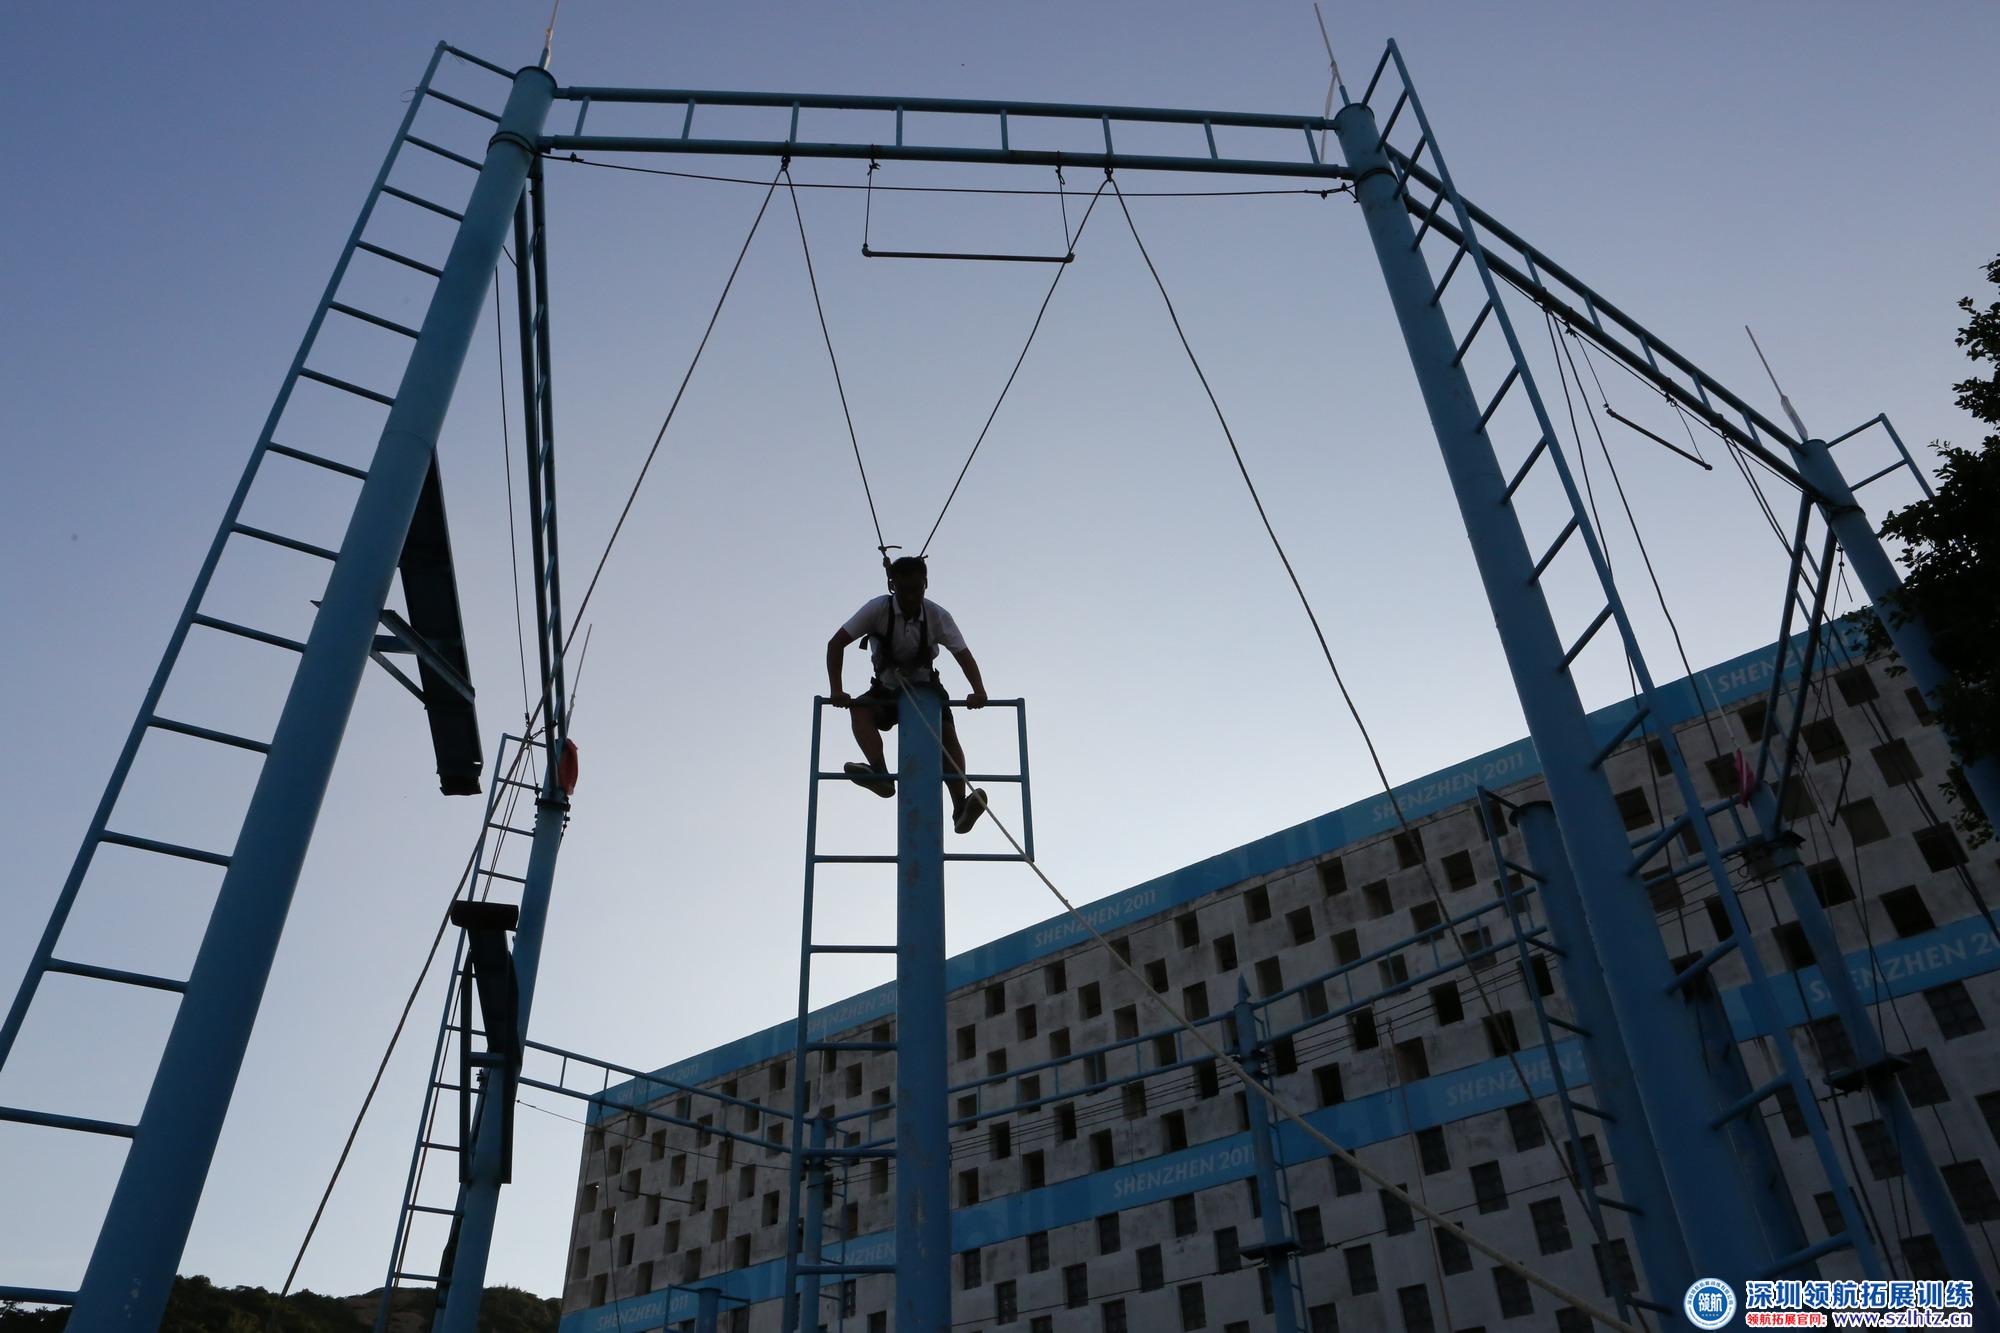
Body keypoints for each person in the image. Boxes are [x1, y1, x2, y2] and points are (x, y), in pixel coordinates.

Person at [826, 556, 990, 834]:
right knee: (860, 708)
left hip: (926, 688)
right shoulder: (877, 609)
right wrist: (837, 690)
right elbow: (836, 644)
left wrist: (979, 690)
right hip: (887, 690)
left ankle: (960, 806)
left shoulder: (937, 615)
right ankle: (880, 774)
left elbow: (963, 654)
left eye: (917, 589)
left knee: (946, 735)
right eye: (904, 590)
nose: (912, 597)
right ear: (893, 586)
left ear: (926, 584)